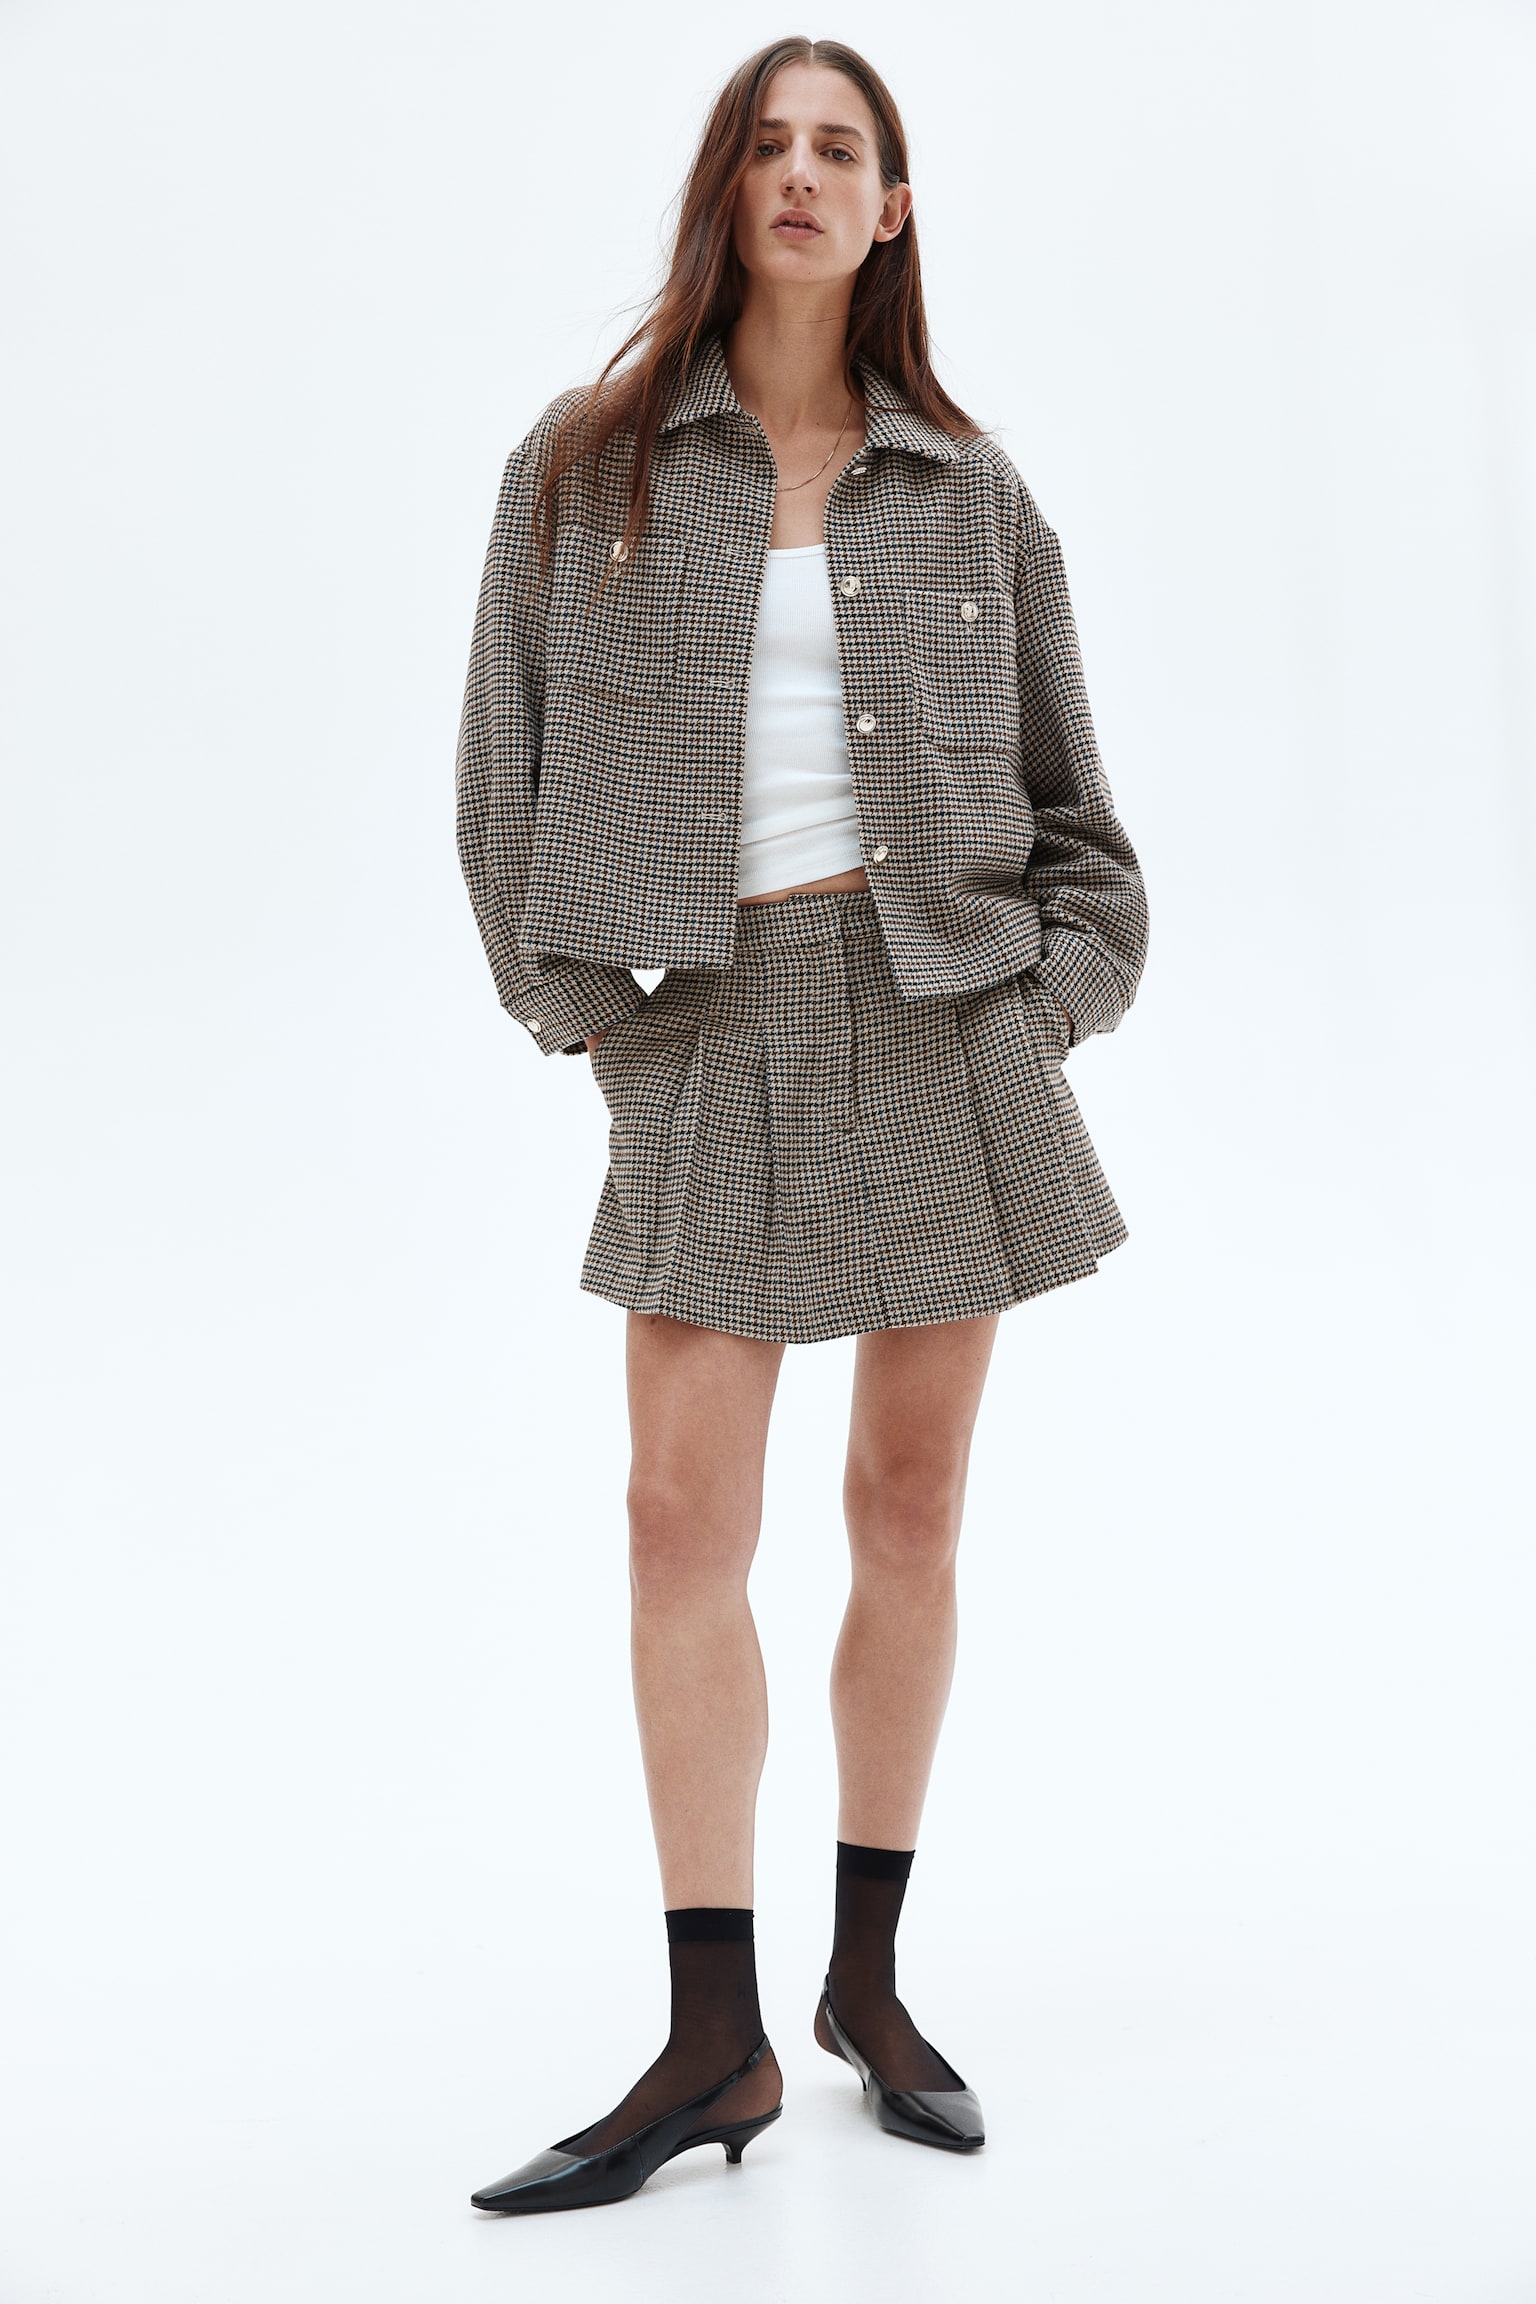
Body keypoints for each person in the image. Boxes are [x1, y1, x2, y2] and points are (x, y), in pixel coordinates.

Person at [455, 35, 1149, 2215]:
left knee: (909, 1508)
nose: (802, 172)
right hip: (709, 1021)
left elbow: (1085, 834)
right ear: (724, 184)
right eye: (768, 141)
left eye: (843, 148)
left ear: (892, 209)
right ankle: (711, 2039)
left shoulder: (970, 492)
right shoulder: (584, 468)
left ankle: (866, 1985)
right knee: (678, 1524)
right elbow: (497, 786)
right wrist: (600, 1026)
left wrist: (1044, 1013)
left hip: (942, 1026)